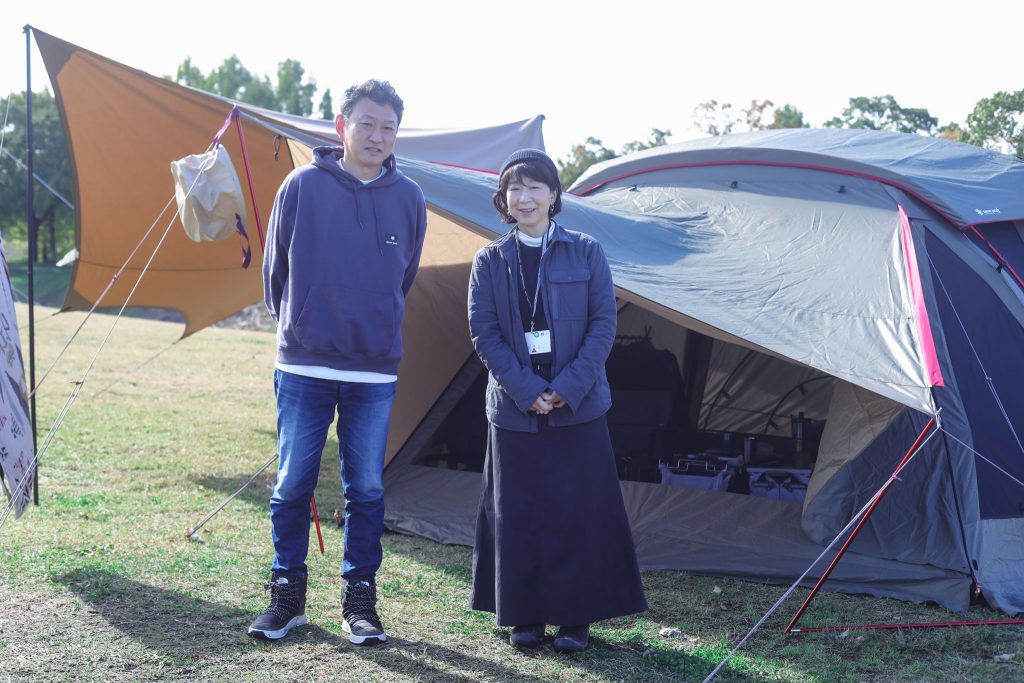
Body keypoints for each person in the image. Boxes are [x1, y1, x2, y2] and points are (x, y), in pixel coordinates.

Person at [249, 79, 427, 644]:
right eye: (367, 123)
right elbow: (275, 273)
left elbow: (404, 277)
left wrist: (373, 324)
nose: (377, 136)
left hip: (373, 369)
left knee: (367, 489)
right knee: (291, 484)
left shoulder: (410, 198)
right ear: (341, 126)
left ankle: (360, 600)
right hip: (304, 365)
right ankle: (287, 597)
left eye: (388, 127)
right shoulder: (301, 186)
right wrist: (302, 328)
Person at [467, 148, 647, 653]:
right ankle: (524, 616)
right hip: (513, 408)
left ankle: (574, 618)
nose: (524, 197)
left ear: (553, 194)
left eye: (534, 187)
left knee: (577, 510)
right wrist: (527, 391)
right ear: (503, 198)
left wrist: (565, 388)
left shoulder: (586, 251)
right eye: (514, 188)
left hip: (580, 404)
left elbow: (603, 326)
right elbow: (484, 334)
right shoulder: (489, 260)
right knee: (518, 511)